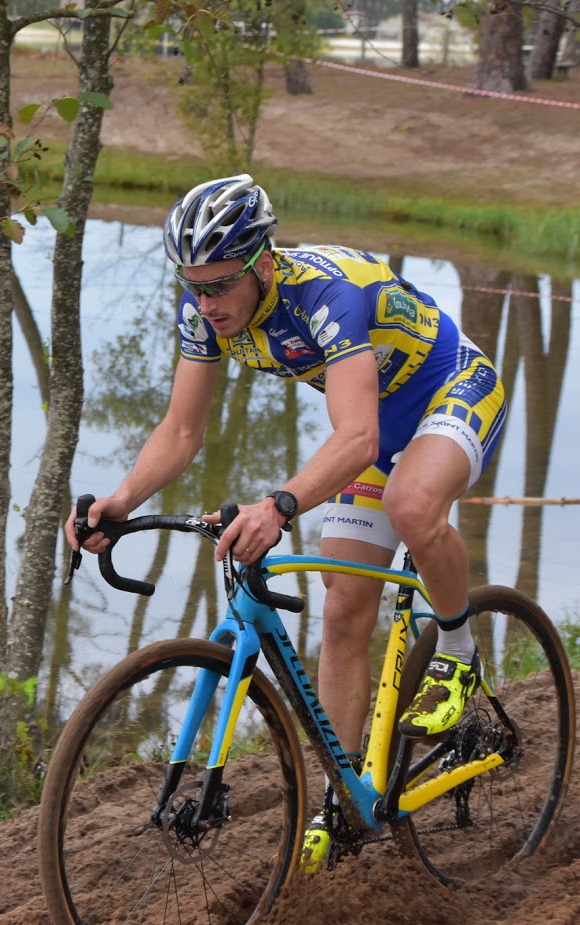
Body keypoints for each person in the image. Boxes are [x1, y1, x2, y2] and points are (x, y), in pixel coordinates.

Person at [63, 174, 507, 872]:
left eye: (218, 286)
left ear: (262, 262)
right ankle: (347, 792)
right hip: (377, 424)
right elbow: (182, 430)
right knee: (340, 608)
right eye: (192, 285)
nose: (205, 302)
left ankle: (457, 650)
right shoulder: (204, 310)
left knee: (412, 505)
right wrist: (120, 500)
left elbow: (357, 437)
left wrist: (280, 505)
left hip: (451, 390)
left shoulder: (324, 295)